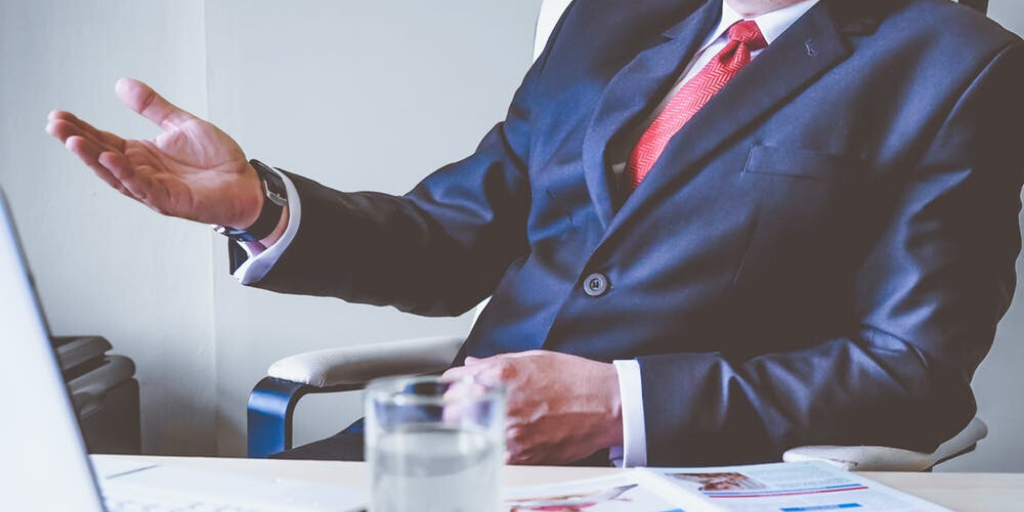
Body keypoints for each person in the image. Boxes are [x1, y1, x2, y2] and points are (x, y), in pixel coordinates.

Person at [46, 0, 1024, 467]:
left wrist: (618, 405)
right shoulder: (609, 21)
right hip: (453, 447)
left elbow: (910, 365)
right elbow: (453, 234)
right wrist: (260, 204)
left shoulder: (956, 66)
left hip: (685, 471)